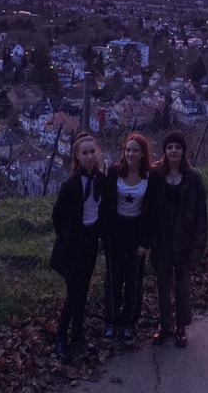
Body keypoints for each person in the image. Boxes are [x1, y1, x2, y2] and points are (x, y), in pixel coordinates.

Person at [50, 132, 107, 365]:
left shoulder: (101, 180)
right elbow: (58, 216)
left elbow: (102, 210)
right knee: (74, 293)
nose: (90, 156)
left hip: (90, 242)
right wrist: (68, 237)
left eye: (92, 151)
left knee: (83, 290)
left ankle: (78, 336)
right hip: (73, 244)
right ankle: (61, 338)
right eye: (85, 153)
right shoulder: (71, 185)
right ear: (77, 155)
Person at [151, 130, 208, 349]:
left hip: (184, 238)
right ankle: (164, 325)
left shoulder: (193, 177)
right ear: (164, 151)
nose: (173, 151)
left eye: (177, 147)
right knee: (162, 284)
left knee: (183, 284)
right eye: (169, 147)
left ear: (183, 151)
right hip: (162, 239)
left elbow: (201, 213)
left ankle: (181, 326)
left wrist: (198, 245)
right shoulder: (156, 174)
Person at [102, 131, 157, 342]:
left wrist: (145, 242)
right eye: (128, 150)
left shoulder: (150, 177)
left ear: (143, 154)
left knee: (134, 279)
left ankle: (128, 322)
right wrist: (105, 234)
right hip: (116, 230)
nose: (131, 154)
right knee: (113, 278)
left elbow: (152, 213)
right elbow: (107, 204)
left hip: (137, 231)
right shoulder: (115, 171)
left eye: (135, 150)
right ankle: (111, 320)